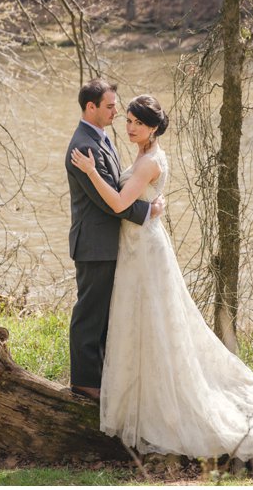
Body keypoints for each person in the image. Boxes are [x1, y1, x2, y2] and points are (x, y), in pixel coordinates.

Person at [70, 94, 253, 461]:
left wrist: (93, 173)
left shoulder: (148, 161)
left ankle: (163, 405)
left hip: (144, 251)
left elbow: (121, 204)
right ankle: (134, 394)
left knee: (153, 321)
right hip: (136, 245)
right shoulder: (143, 155)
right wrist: (151, 206)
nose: (130, 126)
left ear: (153, 127)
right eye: (127, 119)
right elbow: (137, 201)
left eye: (138, 122)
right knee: (136, 321)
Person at [64, 79, 164, 401]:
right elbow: (111, 201)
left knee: (108, 316)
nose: (116, 112)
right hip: (95, 245)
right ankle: (83, 382)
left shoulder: (101, 137)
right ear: (90, 107)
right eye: (110, 106)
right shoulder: (84, 146)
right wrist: (149, 209)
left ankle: (104, 378)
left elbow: (121, 188)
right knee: (89, 316)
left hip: (111, 243)